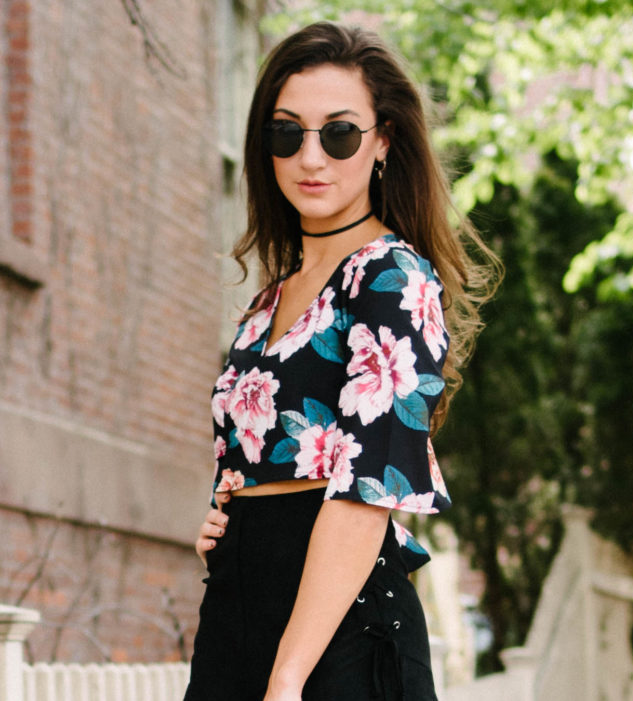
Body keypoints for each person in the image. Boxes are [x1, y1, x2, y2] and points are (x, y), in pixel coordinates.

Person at [184, 22, 498, 701]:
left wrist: (289, 676)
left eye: (339, 133)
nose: (310, 157)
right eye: (287, 132)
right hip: (237, 619)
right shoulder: (271, 298)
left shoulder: (391, 279)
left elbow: (367, 490)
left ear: (383, 140)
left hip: (340, 635)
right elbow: (262, 456)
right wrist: (228, 519)